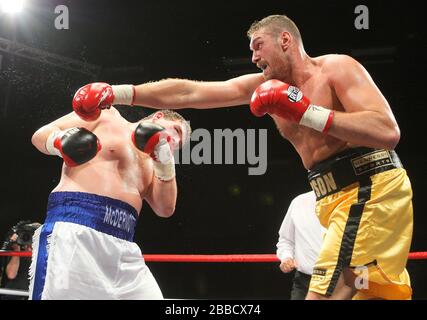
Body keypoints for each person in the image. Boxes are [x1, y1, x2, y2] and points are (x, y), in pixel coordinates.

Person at [71, 15, 413, 300]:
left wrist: (307, 112)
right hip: (333, 199)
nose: (253, 57)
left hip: (370, 187)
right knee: (368, 289)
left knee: (324, 290)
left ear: (285, 40)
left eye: (258, 46)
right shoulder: (259, 86)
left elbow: (387, 131)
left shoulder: (336, 68)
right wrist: (119, 93)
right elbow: (190, 91)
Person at [30, 107, 191, 300]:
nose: (176, 141)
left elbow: (165, 208)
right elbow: (40, 135)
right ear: (158, 116)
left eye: (179, 145)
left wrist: (165, 160)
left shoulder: (157, 167)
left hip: (124, 247)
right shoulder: (108, 117)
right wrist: (60, 141)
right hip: (77, 228)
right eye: (177, 131)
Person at [276, 191, 326, 300]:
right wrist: (286, 257)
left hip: (341, 280)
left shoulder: (353, 200)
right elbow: (285, 240)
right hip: (305, 281)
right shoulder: (299, 202)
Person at [0, 221, 40, 300]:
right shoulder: (15, 251)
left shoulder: (43, 254)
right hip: (13, 296)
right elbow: (11, 274)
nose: (30, 240)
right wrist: (16, 250)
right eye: (28, 235)